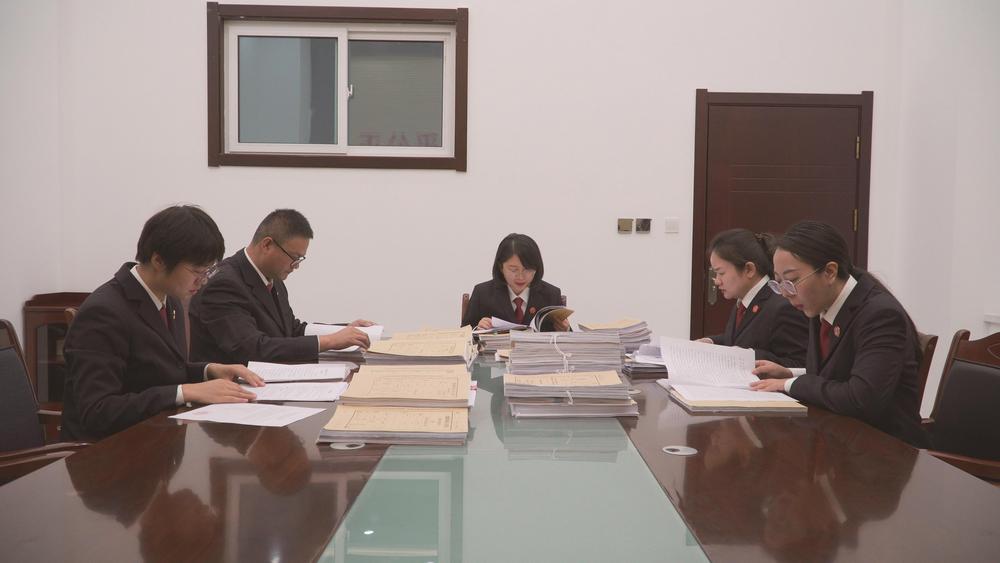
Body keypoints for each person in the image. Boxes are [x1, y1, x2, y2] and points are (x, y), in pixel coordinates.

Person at [61, 205, 264, 442]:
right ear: (158, 260)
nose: (202, 282)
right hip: (107, 452)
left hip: (156, 439)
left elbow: (159, 371)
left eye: (207, 272)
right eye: (196, 271)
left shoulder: (170, 299)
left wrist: (209, 370)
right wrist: (186, 391)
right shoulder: (104, 312)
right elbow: (98, 411)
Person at [750, 220, 928, 447]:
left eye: (792, 281)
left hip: (883, 449)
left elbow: (861, 398)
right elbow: (840, 372)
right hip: (837, 437)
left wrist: (790, 384)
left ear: (830, 272)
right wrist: (790, 372)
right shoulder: (820, 303)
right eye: (779, 283)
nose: (785, 294)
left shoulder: (880, 315)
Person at [189, 209, 373, 364]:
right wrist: (330, 341)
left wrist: (343, 332)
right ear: (267, 245)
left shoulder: (272, 277)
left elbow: (291, 330)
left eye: (300, 259)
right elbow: (252, 348)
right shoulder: (223, 284)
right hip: (229, 386)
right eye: (294, 258)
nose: (296, 266)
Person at [697, 228, 808, 367]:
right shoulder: (744, 301)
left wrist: (746, 356)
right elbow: (739, 339)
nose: (717, 281)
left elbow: (800, 363)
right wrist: (711, 342)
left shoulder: (782, 306)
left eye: (721, 273)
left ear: (749, 269)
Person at [461, 233, 568, 331]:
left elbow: (565, 339)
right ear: (501, 267)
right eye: (513, 270)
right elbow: (463, 334)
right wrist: (478, 328)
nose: (520, 276)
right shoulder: (482, 293)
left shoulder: (551, 294)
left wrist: (565, 329)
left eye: (527, 269)